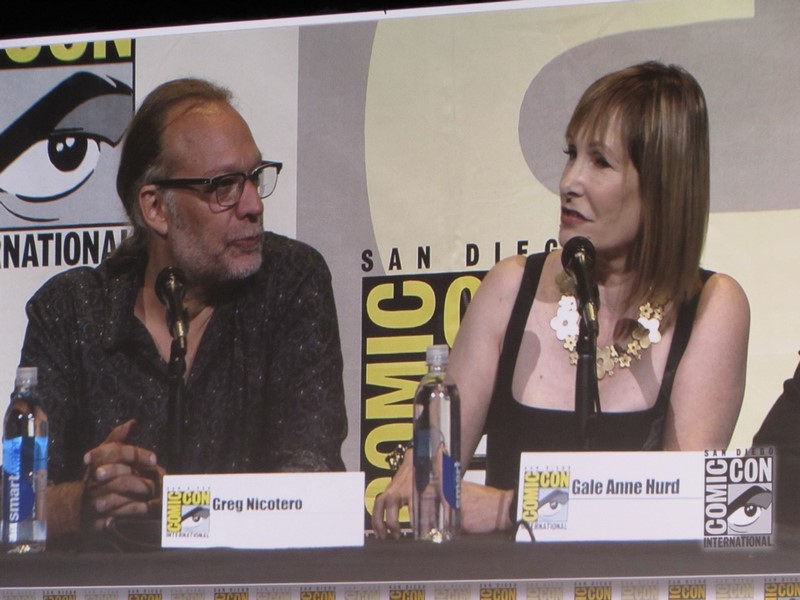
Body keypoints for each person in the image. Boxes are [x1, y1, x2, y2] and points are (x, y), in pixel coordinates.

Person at [372, 61, 750, 538]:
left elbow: (684, 504)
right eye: (572, 154)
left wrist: (515, 508)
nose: (569, 181)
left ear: (661, 185)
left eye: (600, 162)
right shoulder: (510, 288)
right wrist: (421, 470)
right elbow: (432, 480)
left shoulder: (714, 307)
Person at [18, 78, 348, 536]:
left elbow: (311, 480)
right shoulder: (70, 311)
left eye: (254, 177)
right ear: (156, 208)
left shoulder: (290, 283)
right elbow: (17, 500)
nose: (253, 204)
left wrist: (175, 507)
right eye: (224, 186)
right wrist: (85, 501)